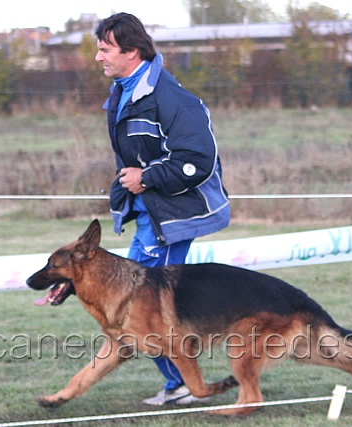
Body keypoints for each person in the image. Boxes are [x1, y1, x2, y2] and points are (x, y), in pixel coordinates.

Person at [94, 13, 231, 406]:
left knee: (141, 311)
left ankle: (184, 383)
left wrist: (147, 178)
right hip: (151, 218)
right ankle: (179, 383)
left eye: (105, 49)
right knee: (134, 308)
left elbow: (197, 160)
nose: (98, 58)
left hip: (173, 220)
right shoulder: (123, 92)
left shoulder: (172, 100)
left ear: (131, 51)